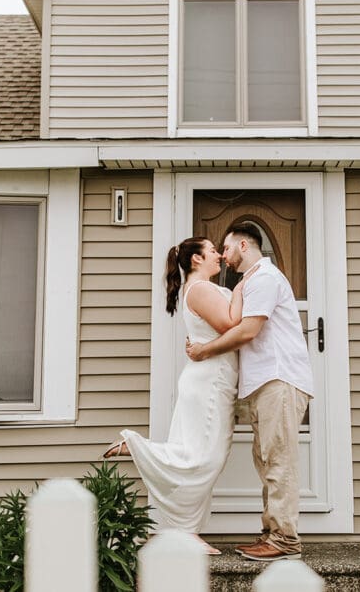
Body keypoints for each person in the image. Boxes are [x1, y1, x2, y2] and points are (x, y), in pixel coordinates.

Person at [102, 236, 244, 555]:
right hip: (209, 381)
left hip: (209, 378)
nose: (219, 256)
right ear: (196, 259)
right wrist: (245, 285)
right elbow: (231, 323)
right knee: (205, 457)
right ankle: (136, 446)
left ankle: (183, 529)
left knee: (199, 453)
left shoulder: (198, 288)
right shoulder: (202, 288)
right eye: (211, 251)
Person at [186, 222, 313, 562]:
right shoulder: (252, 281)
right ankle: (272, 535)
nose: (224, 256)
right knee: (267, 459)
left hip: (279, 379)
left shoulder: (265, 279)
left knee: (279, 460)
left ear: (243, 245)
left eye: (225, 249)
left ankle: (284, 541)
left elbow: (247, 331)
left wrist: (204, 350)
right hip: (265, 382)